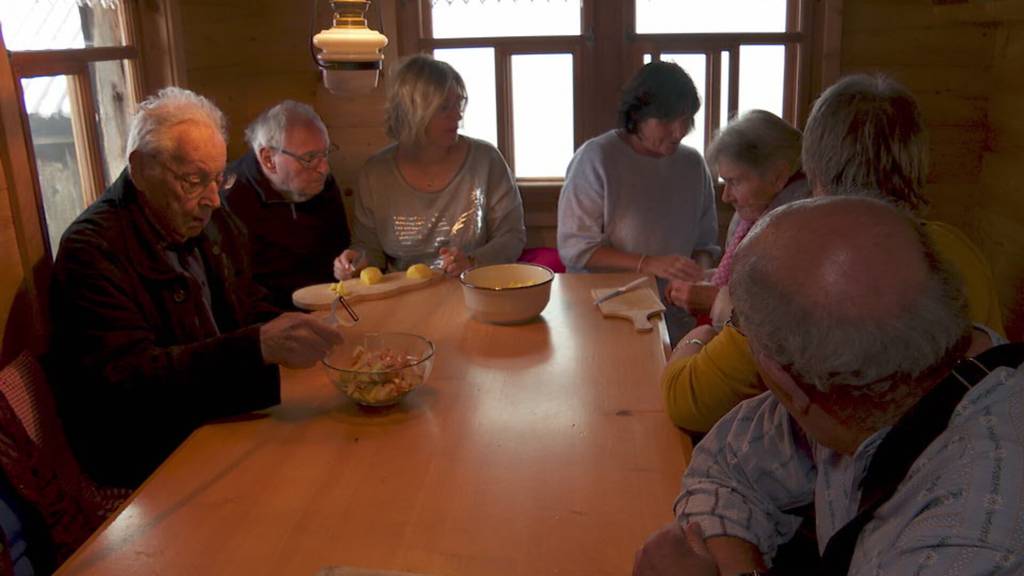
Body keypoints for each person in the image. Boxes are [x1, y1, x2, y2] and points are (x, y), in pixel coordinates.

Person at [635, 196, 1022, 576]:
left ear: (785, 381)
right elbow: (725, 466)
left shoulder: (973, 542)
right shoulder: (863, 388)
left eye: (737, 325)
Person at [660, 73, 1005, 434]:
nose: (728, 194)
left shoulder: (798, 264)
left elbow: (687, 400)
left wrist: (707, 332)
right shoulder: (960, 252)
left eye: (734, 181)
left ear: (814, 166)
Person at [49, 87, 344, 488]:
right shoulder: (92, 249)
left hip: (219, 420)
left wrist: (294, 333)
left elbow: (246, 304)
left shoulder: (211, 218)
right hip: (152, 457)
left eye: (219, 179)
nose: (213, 199)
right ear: (140, 168)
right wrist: (257, 346)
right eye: (193, 180)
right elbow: (129, 384)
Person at [557, 61, 720, 344]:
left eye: (687, 119)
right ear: (637, 116)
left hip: (674, 312)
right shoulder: (597, 158)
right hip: (605, 309)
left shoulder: (692, 164)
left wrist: (697, 275)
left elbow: (705, 244)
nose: (679, 131)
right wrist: (648, 263)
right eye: (667, 120)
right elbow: (576, 249)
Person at [333, 54, 526, 279]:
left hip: (471, 290)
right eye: (444, 107)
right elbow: (369, 248)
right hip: (402, 297)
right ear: (411, 112)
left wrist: (473, 261)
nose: (458, 115)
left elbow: (512, 236)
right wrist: (354, 263)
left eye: (458, 103)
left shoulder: (486, 160)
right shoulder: (375, 173)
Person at [664, 109, 809, 316]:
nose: (726, 197)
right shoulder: (759, 213)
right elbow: (750, 283)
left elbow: (783, 315)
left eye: (735, 182)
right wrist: (705, 279)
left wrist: (713, 298)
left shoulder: (799, 227)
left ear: (778, 176)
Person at [223, 100, 350, 310]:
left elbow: (339, 250)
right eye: (310, 158)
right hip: (268, 322)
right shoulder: (230, 201)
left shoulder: (321, 182)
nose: (324, 168)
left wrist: (347, 266)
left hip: (330, 306)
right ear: (269, 159)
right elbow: (237, 295)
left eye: (325, 153)